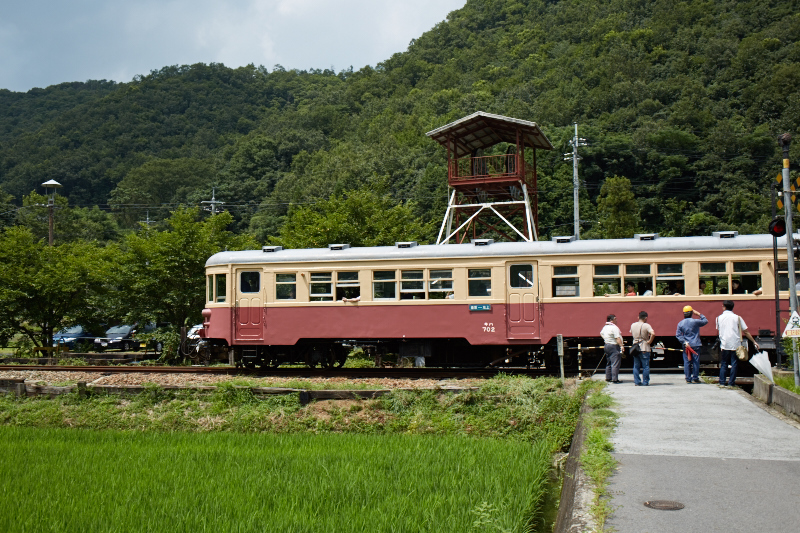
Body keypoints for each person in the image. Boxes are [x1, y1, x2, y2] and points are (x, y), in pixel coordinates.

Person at [716, 300, 759, 387]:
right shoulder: (737, 318)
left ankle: (722, 382)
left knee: (724, 363)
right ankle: (731, 383)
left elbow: (719, 330)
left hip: (724, 344)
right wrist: (754, 342)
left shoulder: (718, 318)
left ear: (724, 307)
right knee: (734, 363)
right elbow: (746, 331)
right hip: (735, 344)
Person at [675, 305, 707, 383]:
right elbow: (705, 321)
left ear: (684, 313)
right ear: (691, 313)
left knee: (687, 362)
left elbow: (678, 335)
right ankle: (695, 378)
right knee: (696, 362)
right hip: (696, 344)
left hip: (686, 345)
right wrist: (699, 314)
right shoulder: (695, 321)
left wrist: (684, 342)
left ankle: (688, 379)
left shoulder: (680, 323)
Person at [630, 311, 656, 386]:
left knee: (636, 366)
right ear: (646, 318)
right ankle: (645, 382)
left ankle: (637, 382)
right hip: (644, 346)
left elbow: (631, 332)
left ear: (638, 317)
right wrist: (649, 341)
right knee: (645, 366)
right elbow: (653, 333)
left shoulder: (633, 325)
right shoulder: (646, 325)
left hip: (635, 347)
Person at [601, 314, 624, 383]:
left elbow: (601, 333)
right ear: (612, 320)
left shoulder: (605, 327)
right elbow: (617, 337)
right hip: (614, 346)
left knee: (609, 362)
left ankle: (608, 377)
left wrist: (606, 339)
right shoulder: (614, 328)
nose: (616, 320)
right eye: (615, 319)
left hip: (607, 345)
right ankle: (615, 379)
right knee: (615, 363)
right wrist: (621, 345)